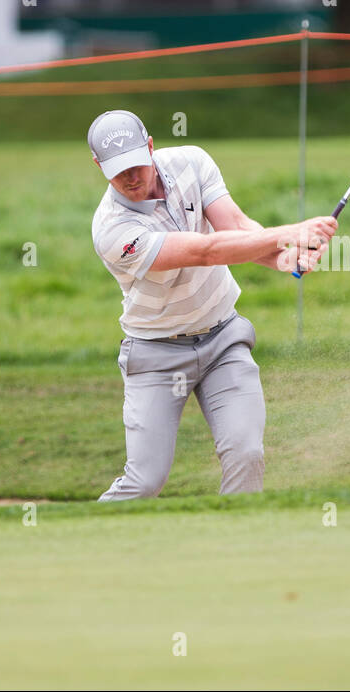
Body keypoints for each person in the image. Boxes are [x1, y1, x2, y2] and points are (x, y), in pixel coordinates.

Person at [88, 110, 337, 501]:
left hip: (223, 339)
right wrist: (290, 232)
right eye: (119, 171)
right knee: (145, 480)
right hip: (156, 353)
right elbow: (205, 252)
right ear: (98, 165)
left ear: (150, 146)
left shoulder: (192, 161)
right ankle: (83, 549)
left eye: (137, 163)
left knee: (247, 453)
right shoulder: (113, 229)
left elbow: (234, 229)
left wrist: (283, 257)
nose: (132, 178)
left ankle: (237, 551)